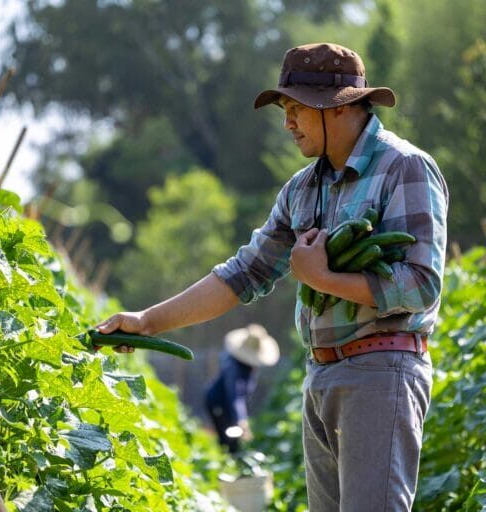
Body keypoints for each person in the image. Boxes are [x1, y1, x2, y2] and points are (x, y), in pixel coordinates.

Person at [97, 42, 448, 511]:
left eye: (296, 109)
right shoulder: (302, 189)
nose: (288, 124)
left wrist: (322, 278)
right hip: (321, 372)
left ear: (338, 106)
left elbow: (421, 285)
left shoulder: (403, 168)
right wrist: (147, 321)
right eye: (285, 109)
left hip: (381, 372)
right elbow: (244, 273)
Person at [204, 324, 279, 454]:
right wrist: (241, 421)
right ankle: (228, 463)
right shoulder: (235, 368)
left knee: (234, 440)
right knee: (229, 439)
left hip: (228, 405)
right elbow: (235, 396)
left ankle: (231, 460)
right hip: (218, 404)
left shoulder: (249, 367)